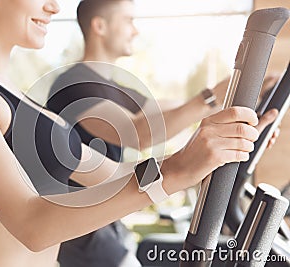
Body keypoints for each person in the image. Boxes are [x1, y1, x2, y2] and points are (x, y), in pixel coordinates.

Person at [0, 1, 277, 267]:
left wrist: (219, 152)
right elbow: (32, 226)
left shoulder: (22, 100)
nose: (54, 6)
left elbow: (115, 172)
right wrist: (177, 170)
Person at [46, 1, 279, 266]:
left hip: (107, 227)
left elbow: (172, 111)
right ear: (100, 25)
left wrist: (246, 112)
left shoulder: (115, 89)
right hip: (80, 236)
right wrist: (214, 94)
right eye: (128, 21)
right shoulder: (73, 85)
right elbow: (140, 132)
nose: (135, 31)